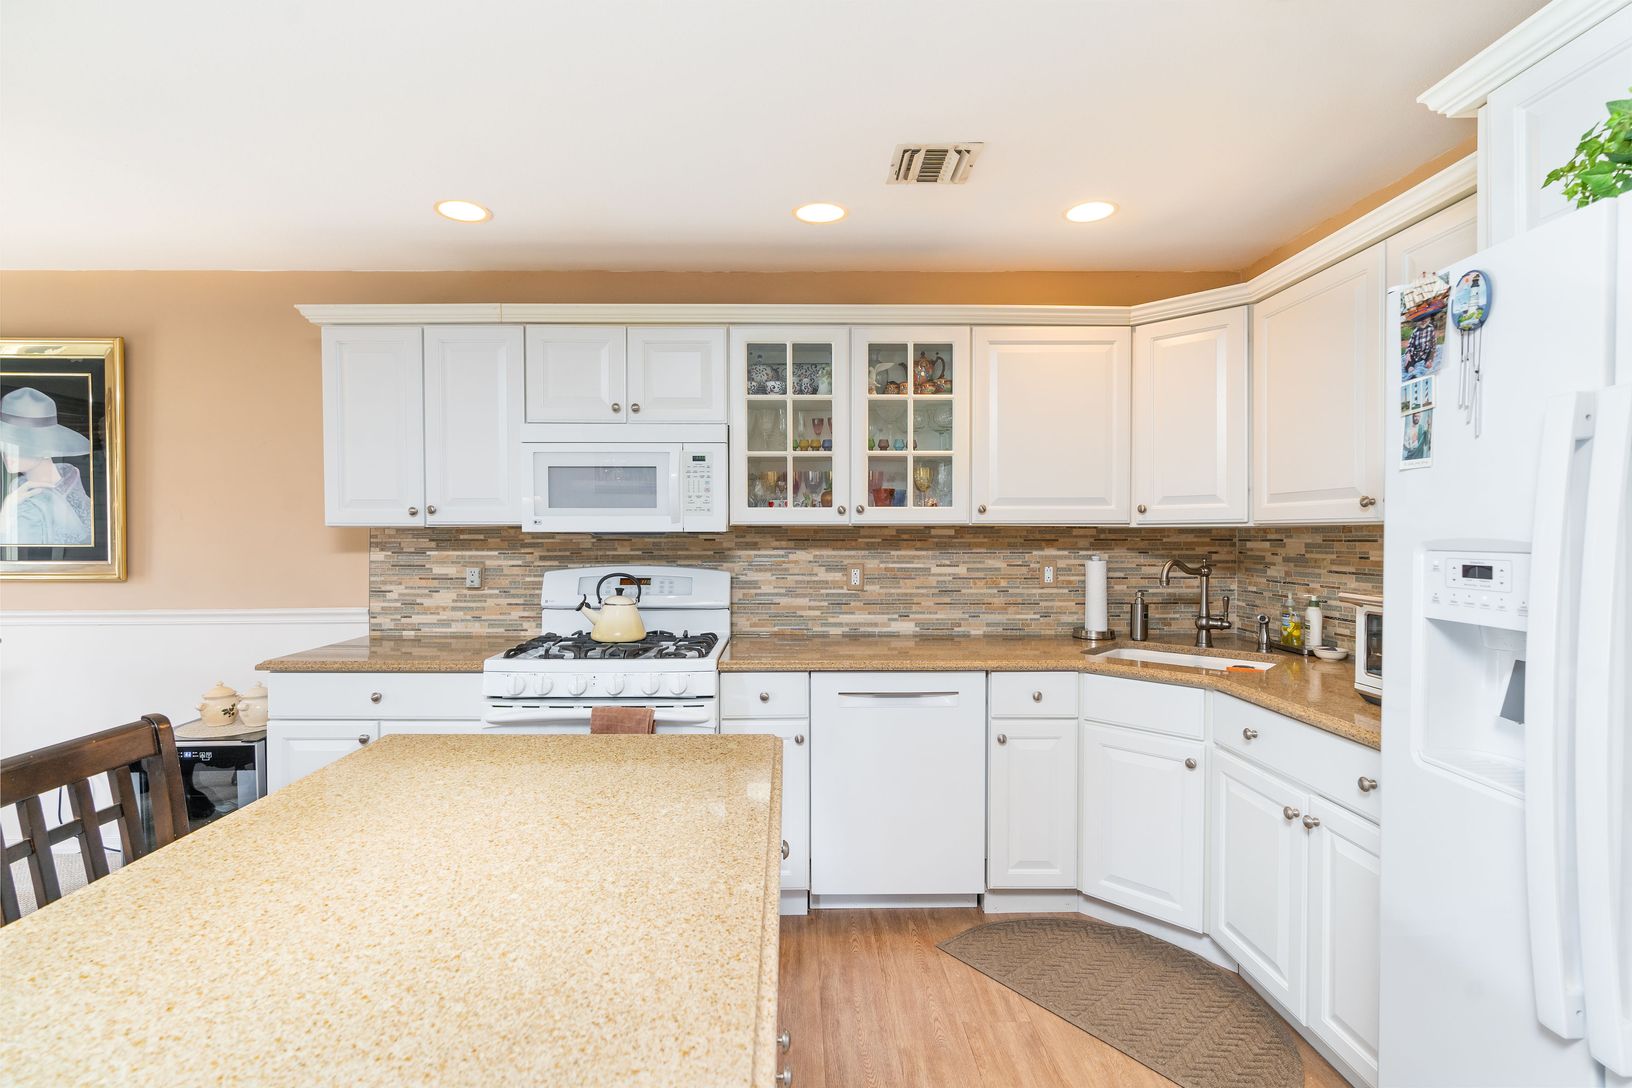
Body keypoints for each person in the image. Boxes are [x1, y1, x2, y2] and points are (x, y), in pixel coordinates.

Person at [0, 386, 94, 546]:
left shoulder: (29, 511)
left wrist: (4, 519)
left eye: (20, 444)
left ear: (46, 448)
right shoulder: (75, 491)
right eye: (4, 442)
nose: (7, 452)